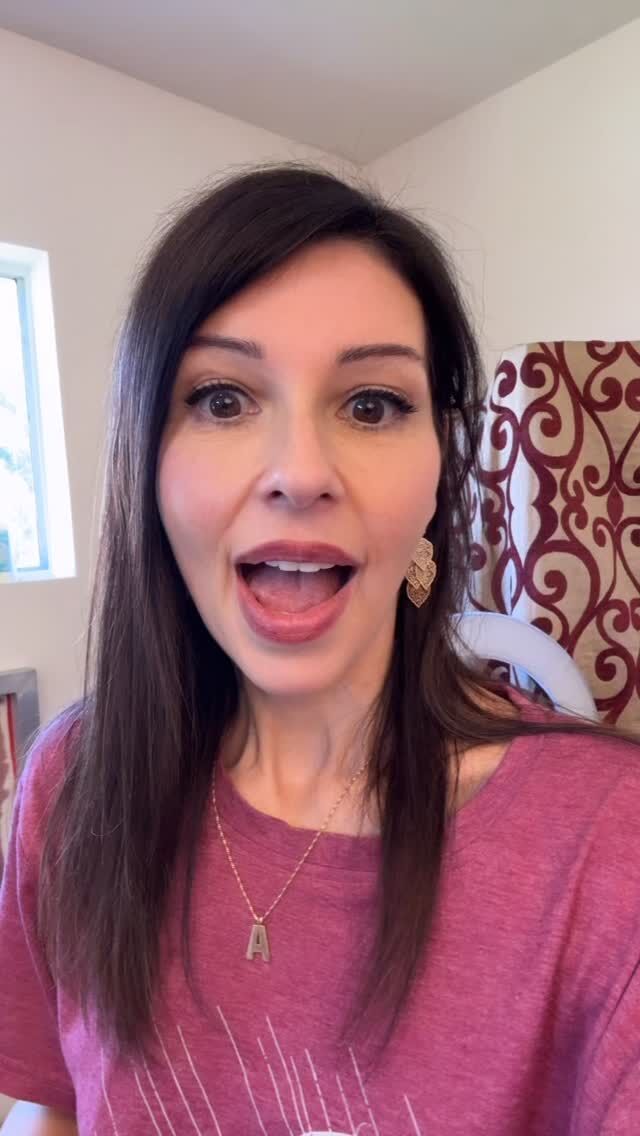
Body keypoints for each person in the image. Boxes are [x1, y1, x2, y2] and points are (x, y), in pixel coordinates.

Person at [0, 162, 639, 1136]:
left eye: (372, 403)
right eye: (222, 398)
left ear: (439, 470)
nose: (300, 473)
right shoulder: (74, 783)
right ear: (147, 460)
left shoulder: (608, 846)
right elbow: (49, 1107)